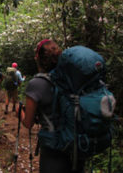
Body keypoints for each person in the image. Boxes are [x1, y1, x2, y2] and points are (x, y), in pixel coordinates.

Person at [16, 39, 85, 173]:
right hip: (77, 147)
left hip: (53, 151)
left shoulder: (36, 84)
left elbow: (28, 123)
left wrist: (20, 112)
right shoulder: (72, 79)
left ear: (38, 58)